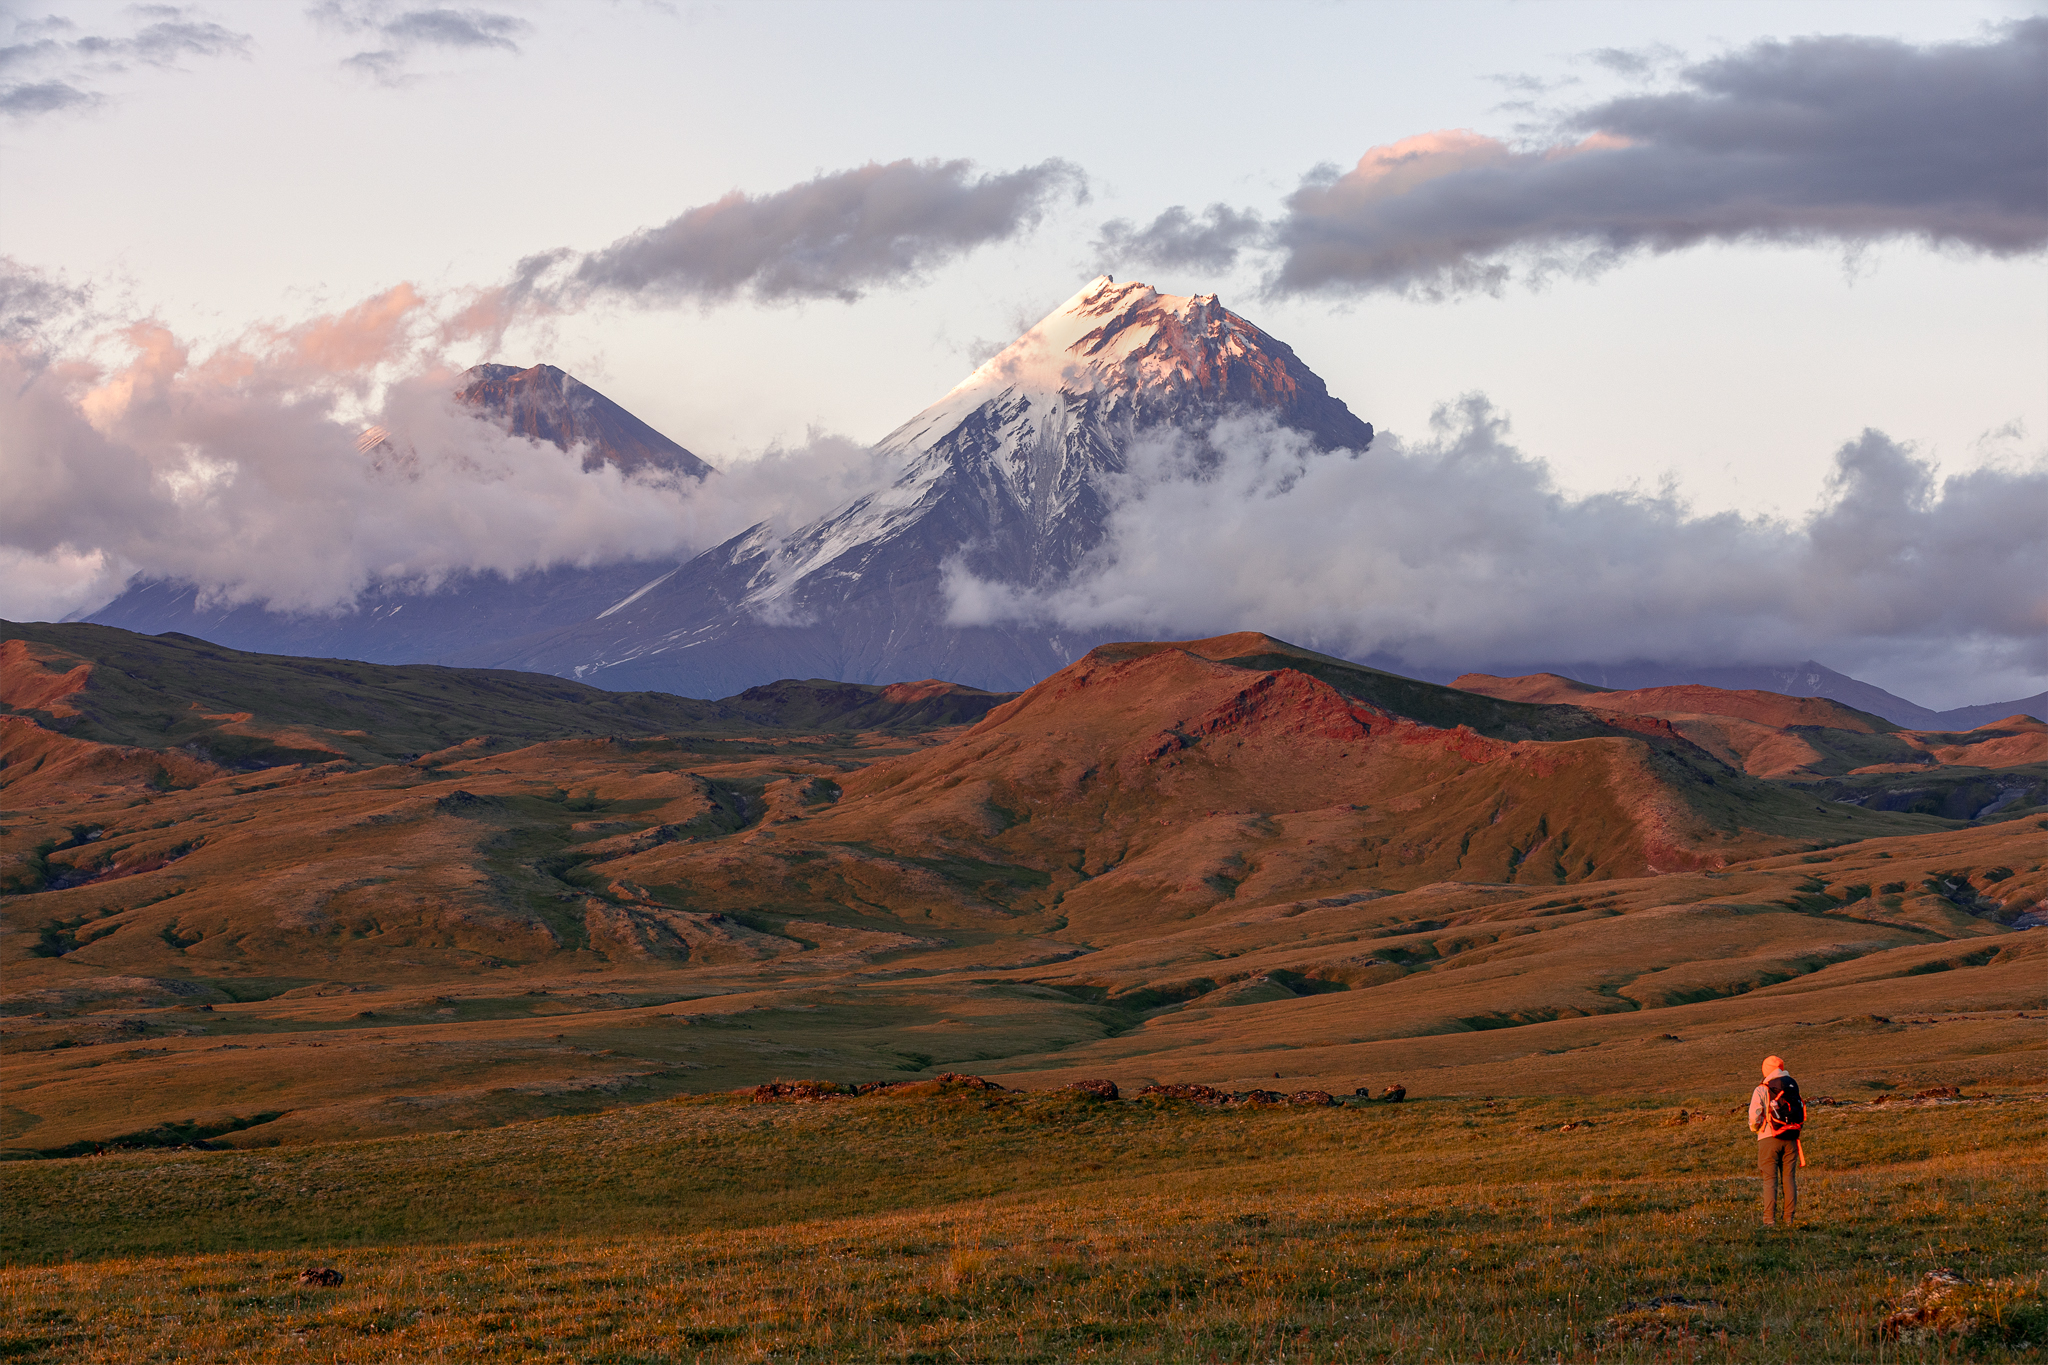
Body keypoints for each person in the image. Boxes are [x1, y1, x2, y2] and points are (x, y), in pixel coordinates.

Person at [1747, 1054, 1805, 1225]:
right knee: (1789, 1178)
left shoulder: (1762, 1088)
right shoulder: (1792, 1086)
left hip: (1768, 1137)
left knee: (1769, 1179)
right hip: (1792, 1137)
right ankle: (1788, 1219)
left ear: (1765, 1070)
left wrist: (1756, 1128)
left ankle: (1769, 1220)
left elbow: (1754, 1115)